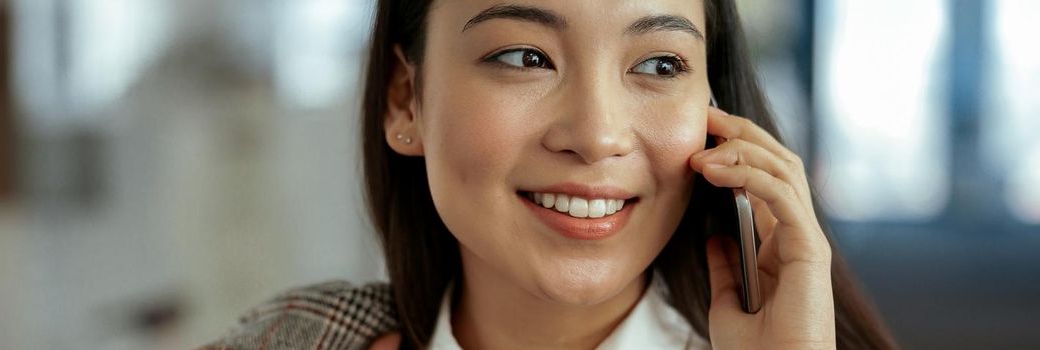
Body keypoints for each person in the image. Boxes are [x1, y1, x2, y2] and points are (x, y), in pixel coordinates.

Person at [201, 0, 897, 349]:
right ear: (405, 98)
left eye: (658, 65)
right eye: (524, 57)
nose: (596, 136)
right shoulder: (298, 338)